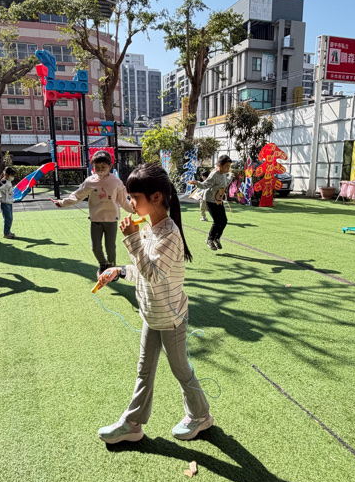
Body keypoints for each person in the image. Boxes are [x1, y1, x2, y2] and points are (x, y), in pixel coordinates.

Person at [95, 162, 213, 444]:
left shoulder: (169, 234)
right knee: (144, 370)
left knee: (180, 370)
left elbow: (154, 275)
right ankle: (132, 423)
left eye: (134, 198)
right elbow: (142, 268)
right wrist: (120, 271)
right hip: (152, 315)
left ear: (156, 197)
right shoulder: (149, 228)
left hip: (171, 319)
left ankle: (201, 416)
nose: (130, 204)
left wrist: (132, 239)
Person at [54, 152, 133, 277]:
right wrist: (62, 203)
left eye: (103, 167)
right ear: (93, 167)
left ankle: (112, 267)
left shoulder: (116, 182)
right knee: (95, 247)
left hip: (111, 219)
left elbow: (123, 201)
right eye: (97, 167)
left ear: (110, 166)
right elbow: (77, 196)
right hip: (95, 219)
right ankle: (103, 263)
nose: (100, 170)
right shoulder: (90, 181)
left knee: (110, 247)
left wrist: (134, 210)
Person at [198, 154, 233, 251]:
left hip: (218, 200)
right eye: (226, 166)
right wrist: (197, 183)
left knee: (224, 220)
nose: (228, 168)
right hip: (210, 200)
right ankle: (209, 239)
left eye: (229, 166)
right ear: (220, 165)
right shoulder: (214, 175)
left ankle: (217, 238)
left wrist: (230, 177)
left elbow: (225, 183)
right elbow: (205, 185)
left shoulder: (224, 174)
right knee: (217, 221)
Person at [0, 167, 17, 239]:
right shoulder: (3, 181)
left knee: (10, 218)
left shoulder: (8, 181)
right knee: (7, 218)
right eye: (11, 175)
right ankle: (6, 233)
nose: (12, 176)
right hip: (5, 202)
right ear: (7, 174)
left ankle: (8, 232)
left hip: (9, 202)